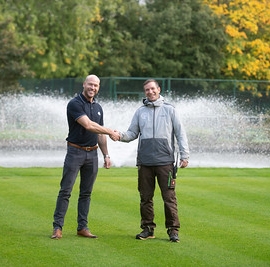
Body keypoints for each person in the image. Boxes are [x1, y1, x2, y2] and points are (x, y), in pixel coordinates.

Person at [117, 79, 189, 242]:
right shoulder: (140, 111)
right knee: (145, 197)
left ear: (158, 89)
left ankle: (173, 230)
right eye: (147, 90)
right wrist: (119, 136)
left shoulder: (170, 110)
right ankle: (148, 229)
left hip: (165, 162)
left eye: (152, 89)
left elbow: (180, 133)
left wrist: (185, 155)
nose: (150, 92)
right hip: (145, 162)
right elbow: (131, 133)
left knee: (169, 197)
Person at [51, 74, 119, 239]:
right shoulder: (75, 104)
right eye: (90, 84)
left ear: (98, 88)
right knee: (66, 190)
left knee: (86, 193)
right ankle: (57, 228)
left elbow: (99, 134)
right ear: (84, 84)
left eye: (96, 86)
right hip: (75, 152)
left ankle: (82, 227)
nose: (93, 88)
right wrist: (110, 131)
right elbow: (89, 125)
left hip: (93, 153)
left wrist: (106, 155)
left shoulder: (98, 107)